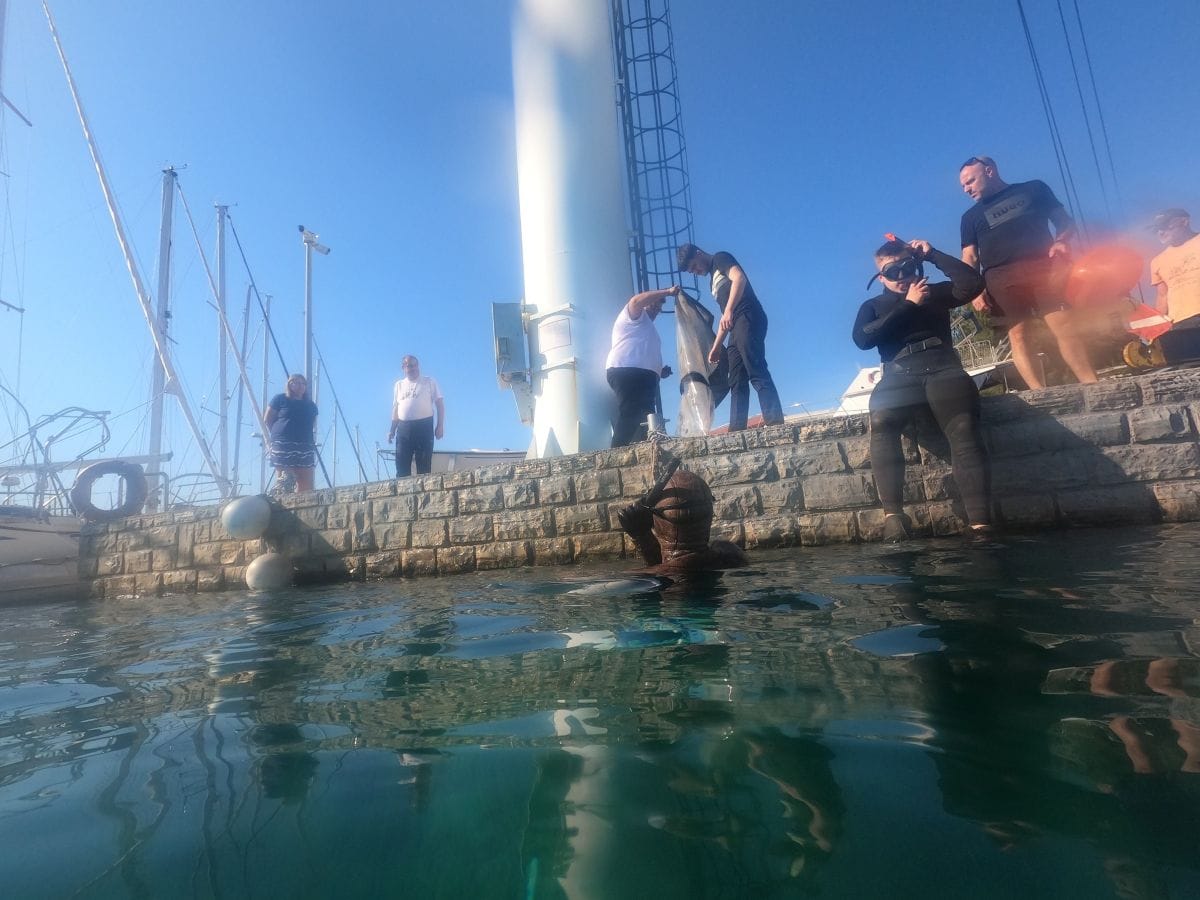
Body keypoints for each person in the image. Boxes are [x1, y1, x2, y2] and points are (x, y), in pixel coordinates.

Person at [852, 238, 992, 540]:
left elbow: (973, 284)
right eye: (892, 272)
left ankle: (980, 524)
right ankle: (893, 517)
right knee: (882, 421)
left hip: (943, 368)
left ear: (916, 265)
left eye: (908, 268)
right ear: (881, 277)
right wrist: (908, 305)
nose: (902, 277)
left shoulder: (935, 293)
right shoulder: (873, 306)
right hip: (899, 374)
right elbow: (863, 339)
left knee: (963, 427)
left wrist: (933, 254)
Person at [959, 155, 1097, 389]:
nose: (966, 189)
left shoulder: (1034, 189)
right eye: (963, 185)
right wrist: (975, 291)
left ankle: (1092, 384)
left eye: (970, 181)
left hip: (1043, 268)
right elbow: (970, 257)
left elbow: (1064, 222)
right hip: (1000, 278)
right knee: (1019, 335)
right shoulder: (969, 217)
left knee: (1064, 325)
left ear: (989, 171)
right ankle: (1039, 394)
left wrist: (1061, 241)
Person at [676, 243, 784, 431]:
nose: (696, 272)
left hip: (748, 315)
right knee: (736, 378)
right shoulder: (712, 281)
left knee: (755, 368)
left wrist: (728, 310)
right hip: (734, 325)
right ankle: (737, 429)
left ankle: (775, 422)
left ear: (698, 254)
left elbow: (739, 278)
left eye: (694, 266)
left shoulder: (720, 259)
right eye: (692, 271)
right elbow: (725, 318)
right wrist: (716, 346)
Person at [617, 455, 749, 573]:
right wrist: (643, 537)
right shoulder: (733, 558)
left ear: (656, 521)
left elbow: (670, 565)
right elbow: (682, 561)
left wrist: (642, 536)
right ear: (708, 513)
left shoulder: (638, 579)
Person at [605, 284, 679, 447]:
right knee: (630, 412)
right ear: (645, 303)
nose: (656, 310)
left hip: (645, 377)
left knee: (648, 418)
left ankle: (650, 451)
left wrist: (660, 371)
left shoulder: (648, 328)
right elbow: (636, 301)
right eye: (653, 305)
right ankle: (616, 453)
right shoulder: (631, 314)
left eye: (658, 308)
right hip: (626, 371)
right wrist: (667, 292)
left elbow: (643, 352)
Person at [388, 355, 444, 478]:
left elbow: (439, 404)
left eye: (415, 365)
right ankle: (403, 490)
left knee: (424, 467)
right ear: (403, 367)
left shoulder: (429, 381)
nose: (413, 368)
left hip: (424, 426)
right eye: (409, 366)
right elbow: (396, 409)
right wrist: (392, 430)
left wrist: (440, 426)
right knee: (401, 467)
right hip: (404, 428)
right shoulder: (398, 385)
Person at [265, 373, 318, 493]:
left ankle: (302, 502)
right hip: (283, 443)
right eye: (296, 382)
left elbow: (313, 423)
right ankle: (282, 500)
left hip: (305, 444)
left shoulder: (311, 405)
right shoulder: (280, 399)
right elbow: (268, 419)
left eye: (303, 383)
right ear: (289, 384)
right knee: (284, 480)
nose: (300, 385)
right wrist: (277, 435)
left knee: (306, 482)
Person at [1149, 208, 1200, 325]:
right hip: (1180, 323)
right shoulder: (1157, 261)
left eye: (1165, 226)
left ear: (1184, 222)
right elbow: (1163, 296)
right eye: (1157, 229)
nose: (1161, 232)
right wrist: (1158, 326)